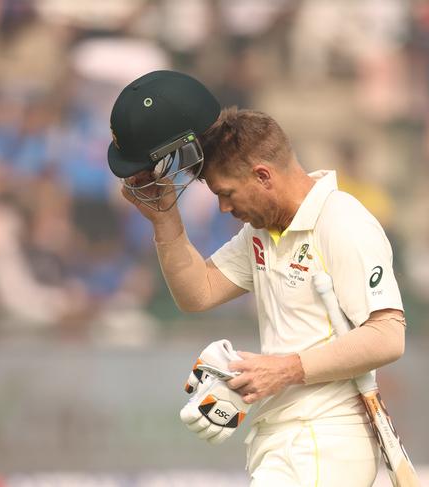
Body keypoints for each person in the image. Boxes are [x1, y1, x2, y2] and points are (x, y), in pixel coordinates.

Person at [107, 70, 407, 487]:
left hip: (326, 437)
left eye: (226, 193)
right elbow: (199, 292)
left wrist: (284, 370)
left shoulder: (341, 220)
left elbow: (388, 335)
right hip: (281, 439)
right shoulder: (263, 232)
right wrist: (165, 221)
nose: (224, 209)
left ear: (263, 176)